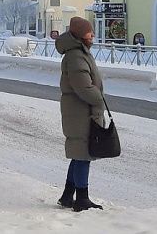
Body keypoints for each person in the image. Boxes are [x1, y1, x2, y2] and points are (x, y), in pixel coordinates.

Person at [55, 17, 106, 212]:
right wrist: (99, 98)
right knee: (83, 155)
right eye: (88, 32)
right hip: (80, 112)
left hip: (78, 111)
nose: (92, 35)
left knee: (78, 155)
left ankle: (68, 195)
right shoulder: (76, 56)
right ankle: (81, 198)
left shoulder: (79, 52)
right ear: (79, 35)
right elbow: (83, 87)